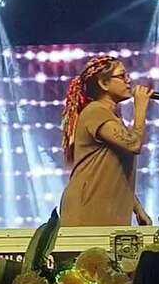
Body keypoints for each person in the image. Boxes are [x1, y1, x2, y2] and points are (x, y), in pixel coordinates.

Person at [60, 55, 153, 227]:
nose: (128, 81)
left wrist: (137, 208)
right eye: (122, 76)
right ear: (103, 83)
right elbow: (133, 144)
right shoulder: (95, 111)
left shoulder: (112, 118)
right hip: (88, 206)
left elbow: (115, 171)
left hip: (108, 207)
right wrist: (140, 109)